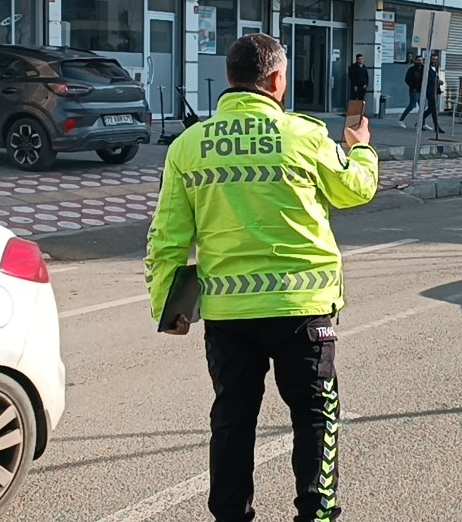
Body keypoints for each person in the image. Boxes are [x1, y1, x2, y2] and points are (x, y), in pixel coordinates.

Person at [145, 33, 379, 522]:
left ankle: (231, 517)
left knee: (232, 418)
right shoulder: (307, 136)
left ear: (231, 80)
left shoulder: (189, 146)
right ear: (276, 80)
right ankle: (316, 515)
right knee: (315, 416)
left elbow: (167, 236)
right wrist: (359, 150)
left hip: (230, 315)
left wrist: (169, 307)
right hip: (304, 309)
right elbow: (356, 191)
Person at [421, 53, 445, 134]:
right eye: (433, 59)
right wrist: (436, 81)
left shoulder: (435, 68)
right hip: (429, 91)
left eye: (435, 59)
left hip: (435, 91)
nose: (434, 61)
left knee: (432, 109)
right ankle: (436, 127)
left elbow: (435, 78)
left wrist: (439, 81)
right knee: (434, 109)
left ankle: (420, 121)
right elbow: (426, 79)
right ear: (430, 59)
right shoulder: (426, 68)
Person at [398, 56, 424, 128]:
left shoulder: (424, 69)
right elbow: (407, 79)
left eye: (421, 60)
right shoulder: (412, 69)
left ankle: (422, 123)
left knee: (422, 107)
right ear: (415, 61)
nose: (420, 62)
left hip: (422, 91)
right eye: (418, 60)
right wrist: (413, 87)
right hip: (414, 91)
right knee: (411, 106)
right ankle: (401, 119)